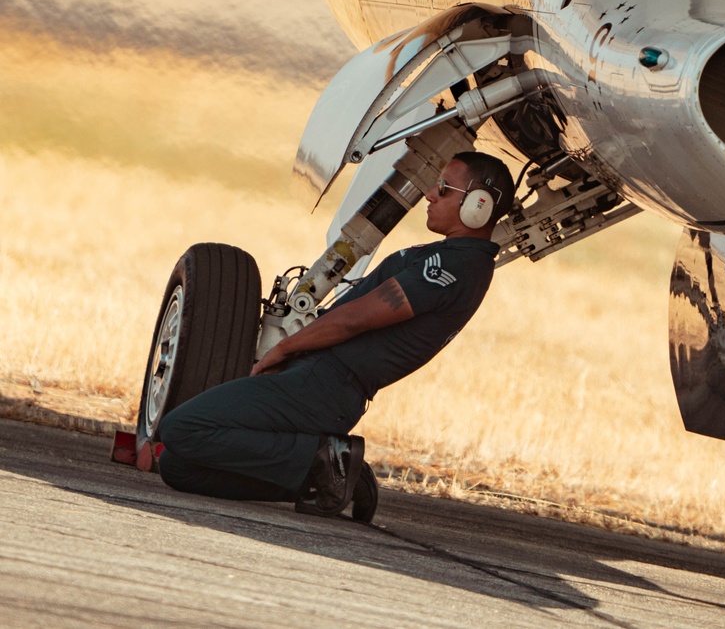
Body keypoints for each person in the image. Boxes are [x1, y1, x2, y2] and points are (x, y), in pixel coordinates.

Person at [155, 151, 516, 518]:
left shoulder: (453, 266)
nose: (430, 195)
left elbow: (353, 321)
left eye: (443, 187)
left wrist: (284, 349)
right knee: (177, 467)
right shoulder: (458, 259)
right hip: (323, 382)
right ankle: (333, 474)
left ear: (478, 205)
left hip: (323, 384)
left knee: (181, 429)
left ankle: (321, 460)